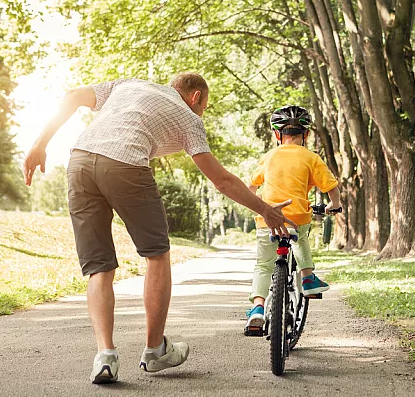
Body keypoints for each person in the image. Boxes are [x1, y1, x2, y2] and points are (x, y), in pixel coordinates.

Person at [22, 74, 296, 384]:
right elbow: (222, 180)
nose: (202, 113)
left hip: (80, 163)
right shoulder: (188, 117)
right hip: (125, 165)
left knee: (99, 266)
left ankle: (105, 355)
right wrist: (265, 210)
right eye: (204, 106)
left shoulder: (128, 84)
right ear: (195, 97)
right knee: (156, 255)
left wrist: (39, 144)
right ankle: (154, 351)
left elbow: (72, 95)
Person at [244, 105, 341, 332]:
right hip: (297, 216)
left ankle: (258, 308)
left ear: (277, 135)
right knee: (301, 239)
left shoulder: (269, 156)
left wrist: (257, 206)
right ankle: (307, 277)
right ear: (306, 134)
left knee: (263, 265)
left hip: (267, 218)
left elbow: (251, 186)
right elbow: (331, 187)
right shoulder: (311, 157)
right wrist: (333, 206)